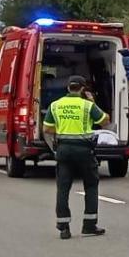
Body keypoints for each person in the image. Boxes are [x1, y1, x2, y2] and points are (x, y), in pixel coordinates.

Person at [43, 76, 109, 240]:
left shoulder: (56, 105)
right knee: (91, 186)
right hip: (84, 150)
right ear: (82, 89)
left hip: (64, 149)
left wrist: (63, 131)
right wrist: (92, 101)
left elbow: (47, 129)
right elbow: (105, 122)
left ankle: (63, 227)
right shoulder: (87, 106)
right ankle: (89, 226)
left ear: (68, 88)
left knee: (63, 188)